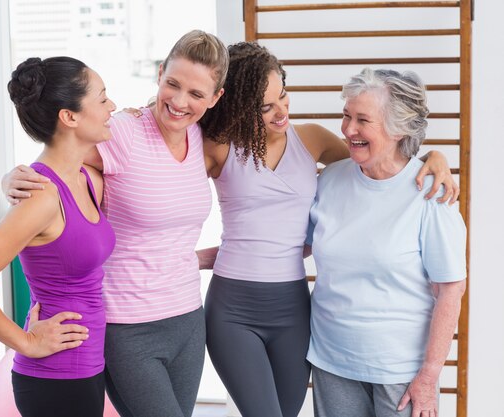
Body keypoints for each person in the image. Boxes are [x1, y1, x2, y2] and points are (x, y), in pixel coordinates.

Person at [195, 42, 458, 417]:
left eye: (283, 96)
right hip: (267, 325)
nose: (280, 111)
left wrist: (435, 157)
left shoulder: (317, 142)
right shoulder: (225, 149)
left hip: (306, 318)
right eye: (264, 107)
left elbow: (382, 164)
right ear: (238, 107)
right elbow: (161, 181)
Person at [2, 30, 229, 417]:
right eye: (172, 84)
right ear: (160, 74)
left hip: (189, 319)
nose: (178, 102)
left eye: (195, 94)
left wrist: (211, 257)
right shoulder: (122, 132)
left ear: (215, 98)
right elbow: (57, 156)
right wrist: (11, 178)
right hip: (127, 324)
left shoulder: (202, 138)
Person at [0, 56, 117, 417]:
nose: (111, 106)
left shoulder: (85, 178)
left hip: (86, 368)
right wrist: (26, 342)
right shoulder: (42, 196)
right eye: (102, 99)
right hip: (55, 377)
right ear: (69, 117)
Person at [305, 68, 466, 417]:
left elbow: (451, 288)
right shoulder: (329, 180)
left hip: (402, 372)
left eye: (363, 120)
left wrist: (429, 375)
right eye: (346, 116)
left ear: (398, 129)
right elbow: (293, 245)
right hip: (332, 362)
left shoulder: (429, 194)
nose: (348, 129)